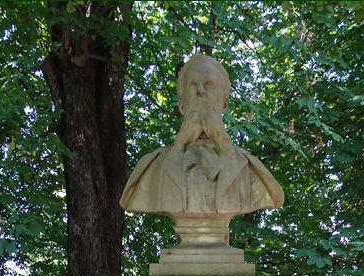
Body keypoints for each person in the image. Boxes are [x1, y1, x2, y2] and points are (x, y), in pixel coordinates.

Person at [119, 54, 284, 224]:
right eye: (192, 85)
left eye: (209, 84)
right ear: (182, 105)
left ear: (225, 103)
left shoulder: (249, 168)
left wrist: (224, 146)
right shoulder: (152, 167)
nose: (200, 91)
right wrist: (179, 145)